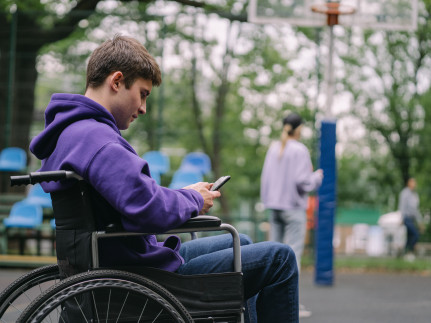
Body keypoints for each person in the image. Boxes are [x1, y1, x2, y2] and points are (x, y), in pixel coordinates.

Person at [29, 35, 299, 322]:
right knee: (280, 259)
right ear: (117, 81)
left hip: (121, 263)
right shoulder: (98, 139)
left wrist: (183, 194)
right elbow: (146, 208)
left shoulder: (75, 132)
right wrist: (194, 199)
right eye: (143, 93)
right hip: (141, 279)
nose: (143, 108)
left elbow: (132, 198)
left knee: (241, 242)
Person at [260, 112, 323, 318]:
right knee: (292, 256)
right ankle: (290, 304)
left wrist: (269, 201)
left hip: (274, 207)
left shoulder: (274, 147)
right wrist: (317, 178)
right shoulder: (299, 149)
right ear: (298, 128)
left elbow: (265, 179)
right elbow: (302, 182)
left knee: (272, 258)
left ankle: (269, 304)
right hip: (293, 208)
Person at [399, 177, 422, 261]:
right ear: (409, 183)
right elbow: (402, 206)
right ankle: (409, 252)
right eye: (413, 182)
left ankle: (403, 254)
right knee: (415, 234)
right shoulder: (405, 193)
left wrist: (419, 221)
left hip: (412, 219)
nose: (414, 184)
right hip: (406, 218)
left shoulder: (414, 194)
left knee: (409, 237)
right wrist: (401, 217)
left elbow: (416, 210)